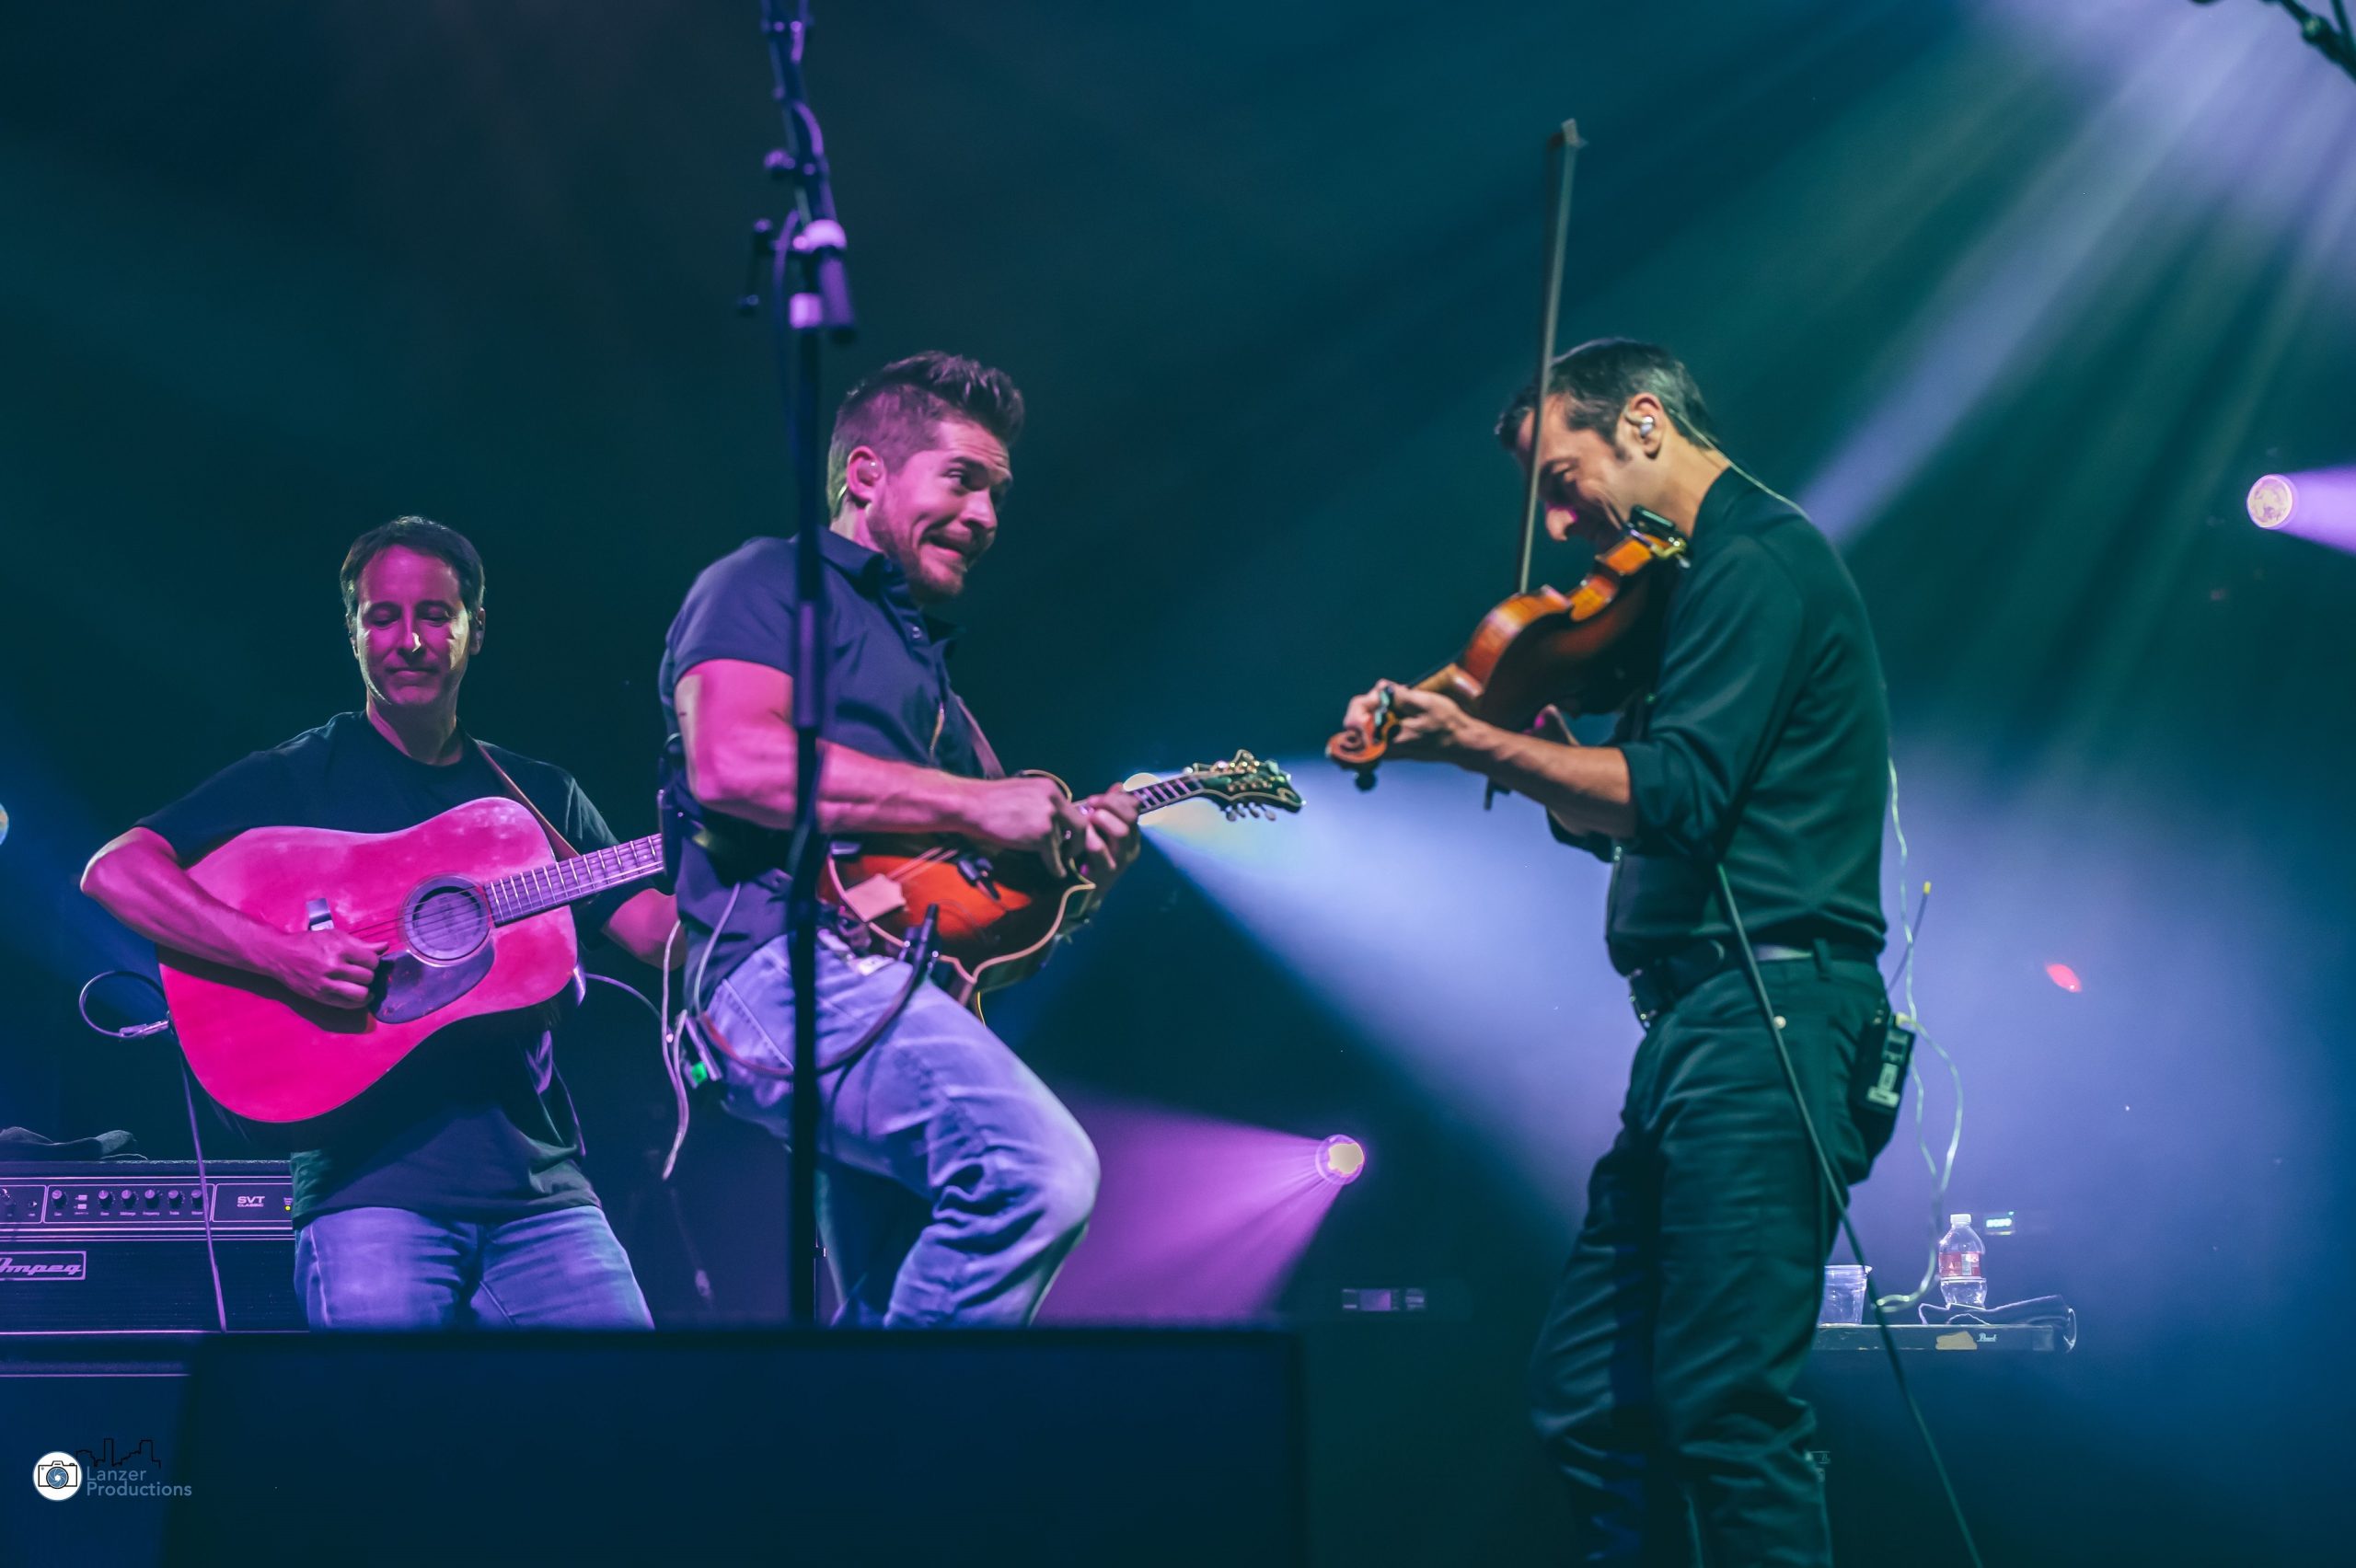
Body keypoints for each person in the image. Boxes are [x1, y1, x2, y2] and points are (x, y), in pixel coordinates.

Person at [1336, 340, 1898, 1565]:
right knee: (1593, 1396)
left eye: (1560, 475)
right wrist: (1533, 753)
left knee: (1730, 1409)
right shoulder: (1684, 591)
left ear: (1641, 422)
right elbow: (1654, 829)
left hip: (1773, 1022)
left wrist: (1483, 748)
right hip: (1699, 1032)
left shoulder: (1758, 563)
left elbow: (1681, 795)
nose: (1554, 521)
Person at [82, 516, 675, 1331]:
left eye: (435, 614)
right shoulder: (298, 776)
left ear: (474, 630)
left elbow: (655, 932)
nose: (410, 640)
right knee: (380, 1440)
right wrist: (283, 955)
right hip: (367, 1193)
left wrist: (766, 869)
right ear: (354, 632)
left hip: (541, 1192)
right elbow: (115, 870)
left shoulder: (535, 795)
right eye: (382, 617)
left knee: (642, 1418)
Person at [661, 350, 1137, 1327]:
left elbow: (978, 911)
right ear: (867, 474)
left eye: (999, 494)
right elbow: (732, 766)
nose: (986, 517)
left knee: (890, 1307)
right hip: (783, 971)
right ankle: (905, 1456)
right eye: (961, 479)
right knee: (1032, 1173)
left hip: (901, 988)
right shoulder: (765, 580)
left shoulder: (927, 680)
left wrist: (1074, 876)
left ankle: (854, 1471)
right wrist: (976, 805)